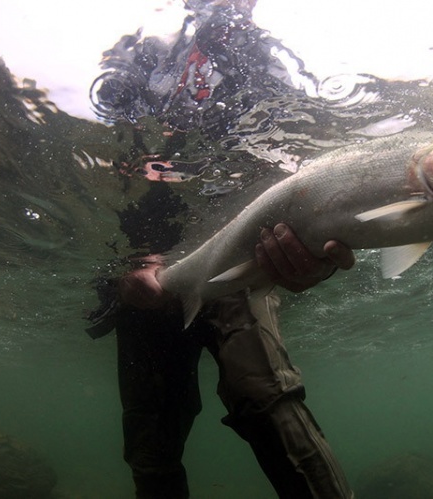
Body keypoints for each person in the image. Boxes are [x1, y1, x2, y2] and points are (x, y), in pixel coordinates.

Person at [87, 1, 358, 496]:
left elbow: (293, 174)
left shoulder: (270, 65)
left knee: (270, 401)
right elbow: (111, 160)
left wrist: (309, 252)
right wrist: (138, 258)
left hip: (237, 259)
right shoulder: (139, 59)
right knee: (152, 440)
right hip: (141, 271)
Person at [97, 224, 355, 498]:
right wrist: (123, 281)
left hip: (232, 270)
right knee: (150, 438)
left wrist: (321, 261)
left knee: (265, 397)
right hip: (139, 295)